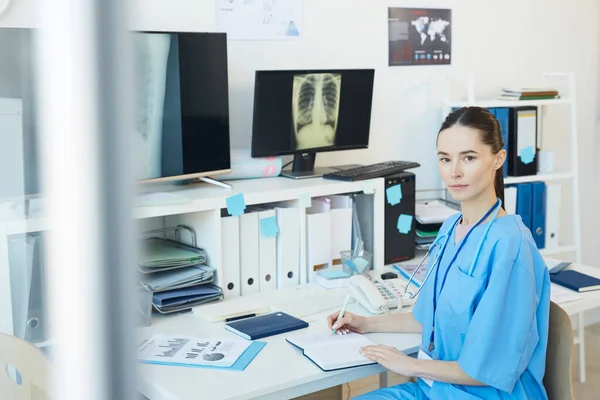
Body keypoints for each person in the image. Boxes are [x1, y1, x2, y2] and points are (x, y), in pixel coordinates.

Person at [327, 106, 551, 399]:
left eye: (468, 158)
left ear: (498, 159)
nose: (454, 171)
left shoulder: (511, 246)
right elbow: (428, 320)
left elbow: (487, 369)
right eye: (445, 159)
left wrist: (409, 365)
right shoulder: (449, 229)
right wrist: (365, 323)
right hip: (434, 388)